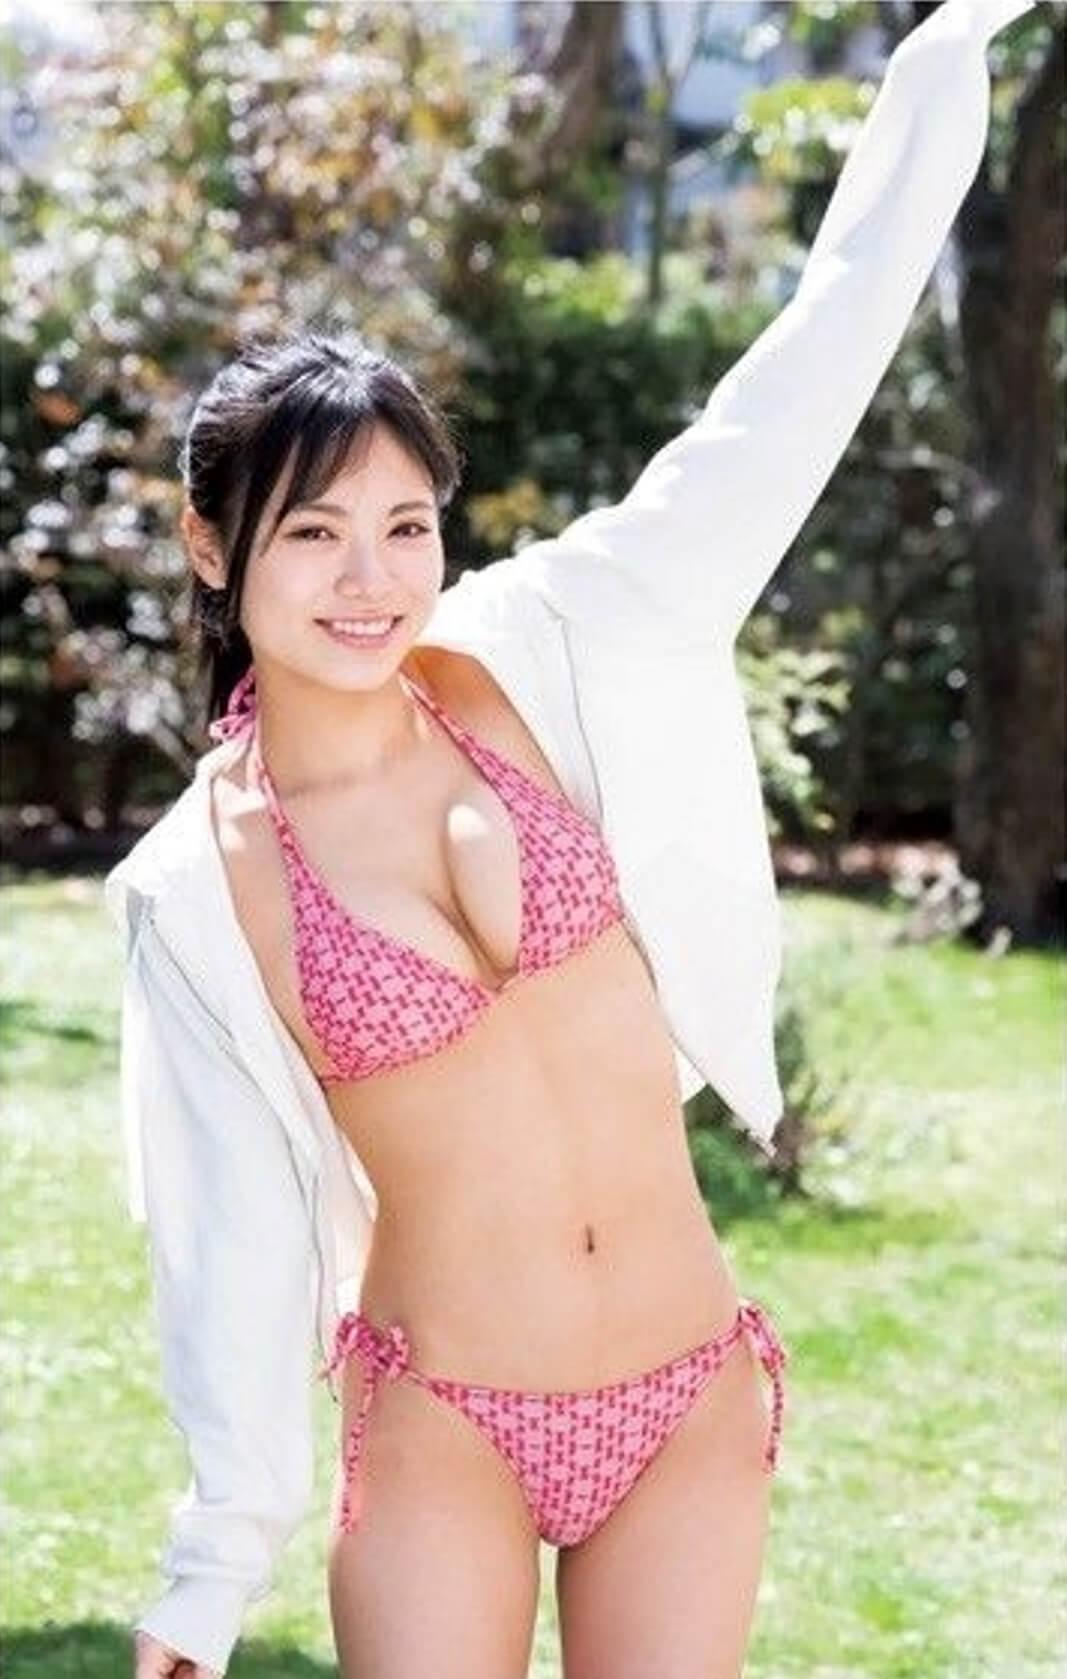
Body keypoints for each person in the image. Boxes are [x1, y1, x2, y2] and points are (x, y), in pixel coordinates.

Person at [107, 2, 1032, 1673]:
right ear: (209, 544)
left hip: (687, 1392)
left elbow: (794, 388)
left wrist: (940, 61)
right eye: (314, 534)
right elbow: (224, 1231)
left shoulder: (561, 642)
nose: (372, 579)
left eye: (407, 525)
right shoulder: (195, 888)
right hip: (446, 1421)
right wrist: (211, 1566)